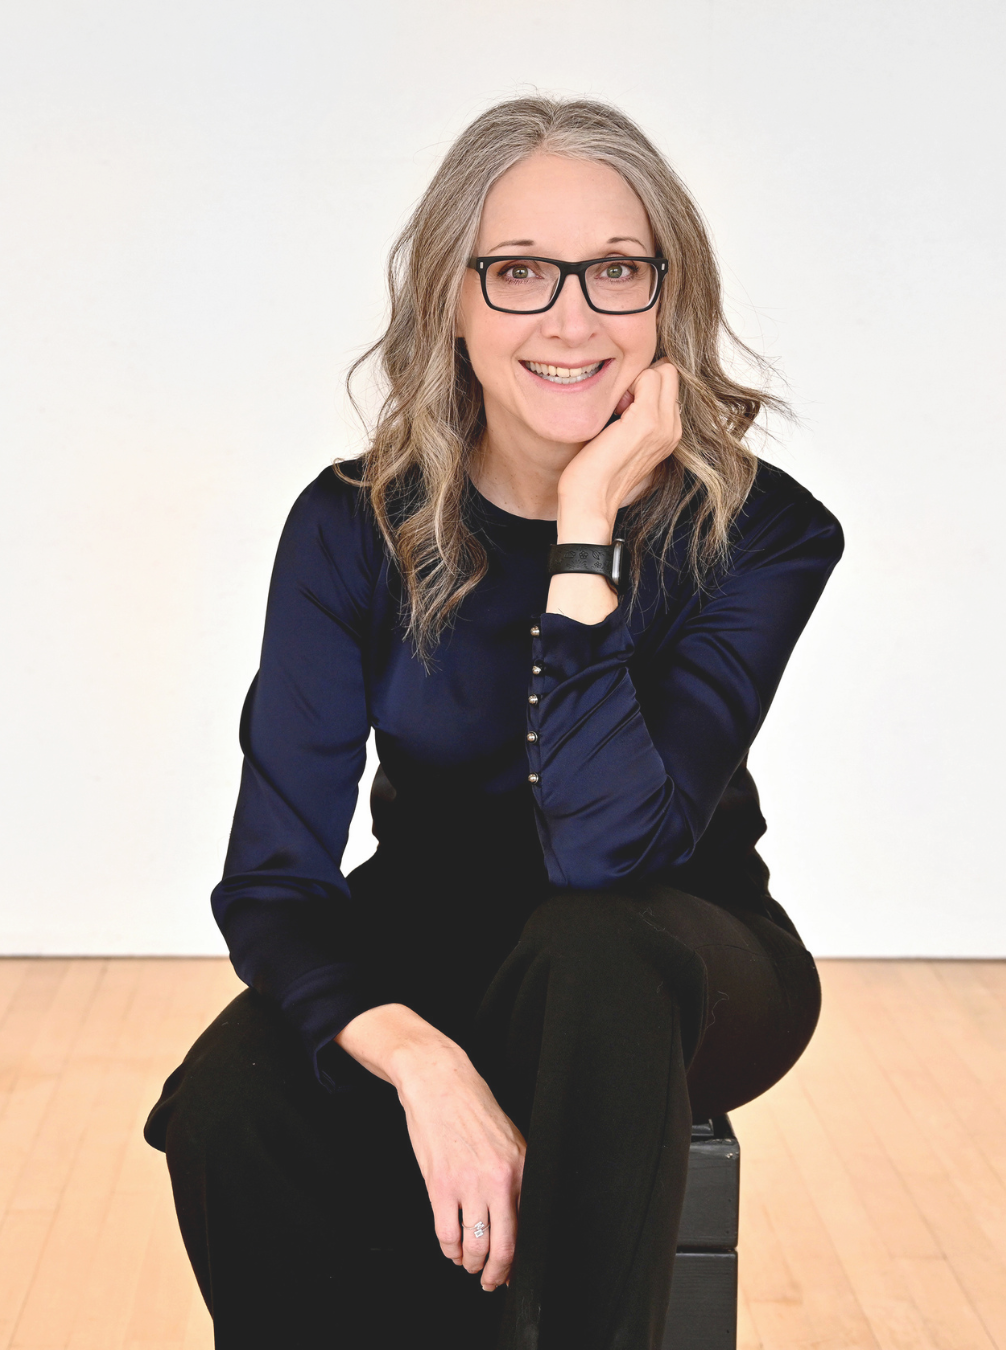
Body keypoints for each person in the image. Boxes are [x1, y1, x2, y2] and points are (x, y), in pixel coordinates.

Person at [144, 95, 843, 1350]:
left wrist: (587, 531)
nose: (571, 316)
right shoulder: (351, 526)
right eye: (519, 271)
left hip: (677, 955)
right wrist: (422, 1060)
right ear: (450, 304)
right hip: (434, 937)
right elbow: (271, 883)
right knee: (231, 1105)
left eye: (615, 271)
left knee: (592, 950)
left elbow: (605, 856)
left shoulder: (763, 532)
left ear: (665, 301)